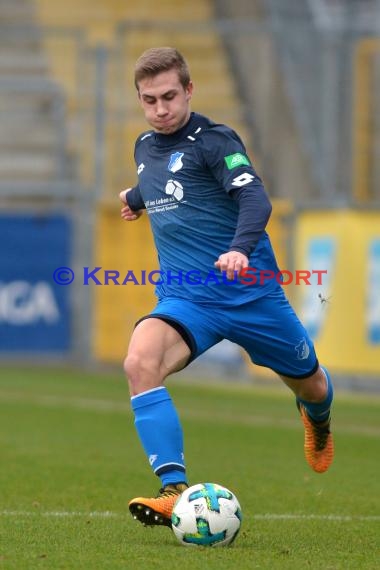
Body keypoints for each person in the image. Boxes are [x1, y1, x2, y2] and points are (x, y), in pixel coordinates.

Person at [119, 47, 334, 528]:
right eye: (149, 100)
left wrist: (240, 248)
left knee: (313, 385)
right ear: (140, 100)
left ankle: (317, 421)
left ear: (190, 90)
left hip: (251, 294)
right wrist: (135, 199)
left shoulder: (215, 141)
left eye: (170, 96)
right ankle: (174, 490)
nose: (160, 109)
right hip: (187, 298)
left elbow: (255, 199)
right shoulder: (143, 147)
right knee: (139, 361)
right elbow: (162, 185)